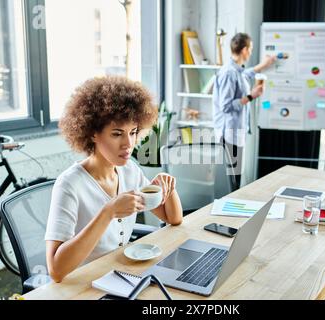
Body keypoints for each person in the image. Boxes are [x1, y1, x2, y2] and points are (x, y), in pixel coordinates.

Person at [45, 76, 183, 283]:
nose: (128, 143)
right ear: (92, 133)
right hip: (83, 285)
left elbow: (173, 218)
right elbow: (55, 270)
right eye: (117, 134)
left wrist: (167, 187)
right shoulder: (69, 185)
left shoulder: (129, 171)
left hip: (121, 276)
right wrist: (108, 212)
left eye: (133, 132)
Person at [213, 32, 276, 190]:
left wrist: (264, 65)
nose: (251, 52)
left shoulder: (237, 71)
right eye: (251, 49)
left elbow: (246, 74)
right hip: (229, 135)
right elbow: (225, 106)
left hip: (235, 134)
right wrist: (251, 95)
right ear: (244, 50)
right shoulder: (229, 73)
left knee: (235, 179)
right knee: (232, 184)